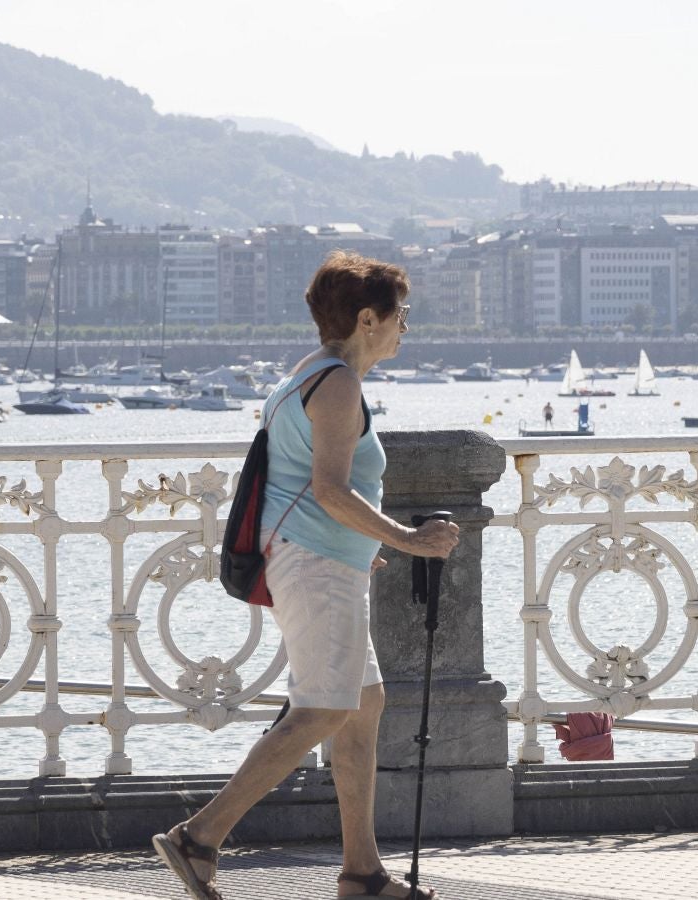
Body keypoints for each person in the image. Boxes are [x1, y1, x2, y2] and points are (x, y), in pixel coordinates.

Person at [153, 251, 458, 900]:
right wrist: (407, 539)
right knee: (322, 708)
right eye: (401, 314)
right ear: (368, 319)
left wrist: (361, 544)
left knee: (361, 705)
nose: (406, 326)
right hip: (315, 564)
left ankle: (362, 873)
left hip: (319, 559)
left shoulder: (308, 374)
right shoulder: (338, 385)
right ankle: (198, 837)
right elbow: (329, 490)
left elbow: (301, 483)